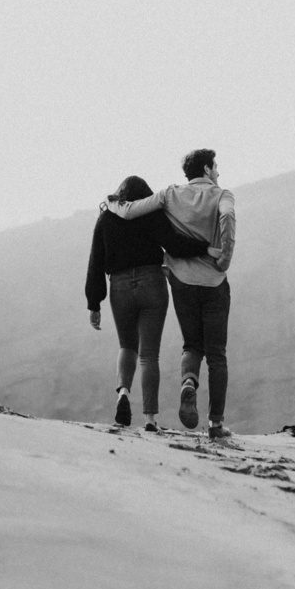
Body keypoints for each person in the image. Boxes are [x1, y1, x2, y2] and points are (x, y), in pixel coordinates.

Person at [103, 148, 236, 439]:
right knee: (217, 355)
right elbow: (227, 218)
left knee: (191, 345)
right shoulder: (223, 194)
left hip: (182, 283)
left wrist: (112, 203)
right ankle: (215, 425)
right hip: (214, 282)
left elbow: (129, 210)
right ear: (205, 168)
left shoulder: (170, 195)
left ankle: (189, 381)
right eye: (215, 166)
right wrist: (223, 257)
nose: (218, 171)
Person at [86, 175, 214, 431]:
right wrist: (205, 247)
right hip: (152, 283)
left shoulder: (106, 219)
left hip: (120, 287)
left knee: (127, 346)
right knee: (149, 355)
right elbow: (175, 245)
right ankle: (150, 419)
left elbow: (96, 262)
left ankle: (123, 393)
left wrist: (94, 303)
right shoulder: (151, 215)